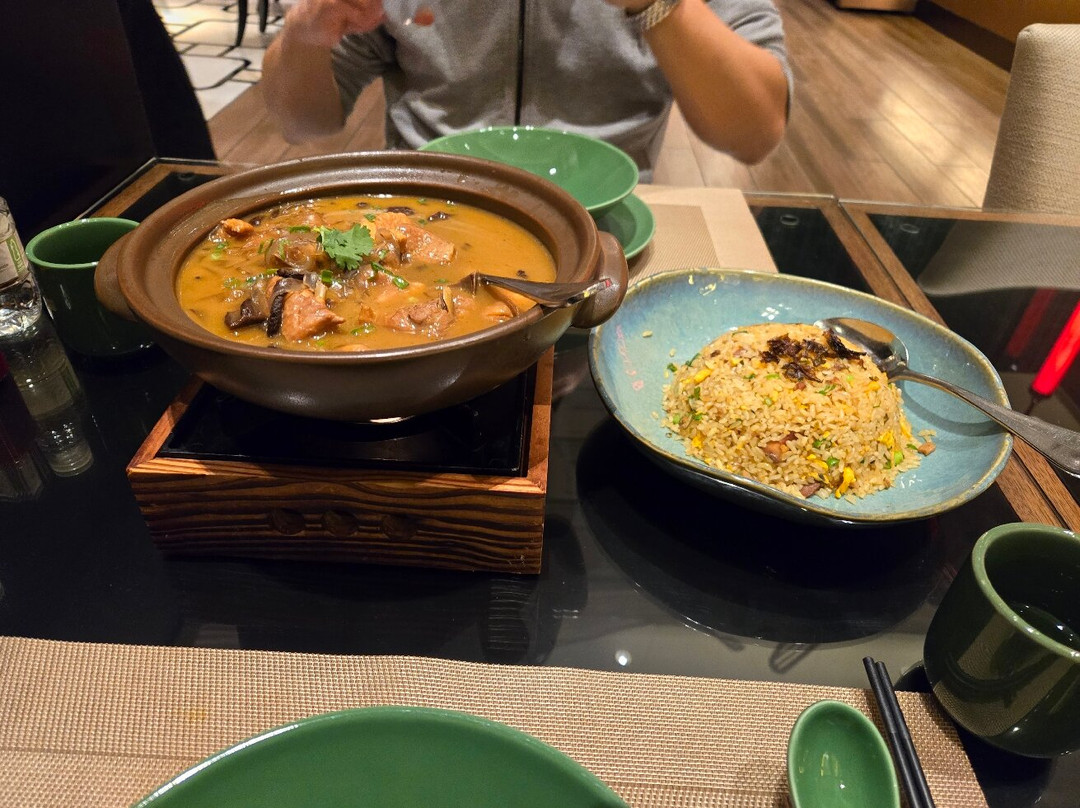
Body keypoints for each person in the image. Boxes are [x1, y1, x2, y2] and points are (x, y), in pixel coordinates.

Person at [261, 0, 791, 179]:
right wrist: (305, 33)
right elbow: (300, 123)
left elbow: (754, 134)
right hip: (424, 211)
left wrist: (660, 6)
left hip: (607, 225)